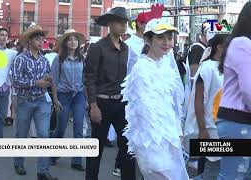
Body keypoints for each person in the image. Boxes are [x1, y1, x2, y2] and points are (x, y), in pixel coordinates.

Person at [121, 18, 189, 179]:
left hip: (170, 138)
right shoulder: (141, 68)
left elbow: (173, 105)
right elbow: (142, 112)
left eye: (169, 38)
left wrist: (178, 132)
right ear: (148, 40)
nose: (166, 42)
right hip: (151, 142)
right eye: (160, 37)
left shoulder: (166, 64)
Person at [84, 7, 136, 180]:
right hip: (101, 103)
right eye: (120, 22)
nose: (123, 26)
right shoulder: (98, 47)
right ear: (110, 24)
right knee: (95, 149)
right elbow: (89, 78)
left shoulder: (126, 48)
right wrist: (93, 106)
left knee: (128, 146)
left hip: (121, 103)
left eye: (125, 23)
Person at [11, 25, 60, 180]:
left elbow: (48, 78)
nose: (41, 41)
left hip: (41, 101)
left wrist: (48, 82)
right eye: (37, 39)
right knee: (22, 135)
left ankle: (43, 171)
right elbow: (16, 81)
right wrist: (35, 82)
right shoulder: (20, 58)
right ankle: (18, 162)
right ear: (29, 41)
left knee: (44, 135)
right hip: (25, 101)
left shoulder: (45, 59)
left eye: (42, 39)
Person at [184, 34, 229, 180]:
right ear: (219, 47)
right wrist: (202, 129)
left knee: (217, 167)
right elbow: (198, 99)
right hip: (210, 128)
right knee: (212, 169)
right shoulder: (207, 68)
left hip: (222, 128)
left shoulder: (227, 68)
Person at [216, 2, 251, 179]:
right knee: (234, 176)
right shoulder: (243, 43)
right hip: (238, 124)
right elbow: (249, 91)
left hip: (237, 123)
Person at [50, 29, 86, 171]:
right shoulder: (58, 59)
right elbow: (53, 81)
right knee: (60, 129)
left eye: (75, 39)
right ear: (65, 43)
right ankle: (52, 155)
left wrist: (87, 100)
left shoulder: (82, 59)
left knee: (78, 129)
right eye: (70, 39)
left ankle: (77, 161)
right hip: (63, 96)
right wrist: (55, 99)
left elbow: (85, 80)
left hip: (78, 96)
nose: (73, 42)